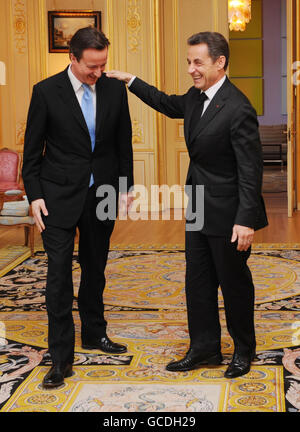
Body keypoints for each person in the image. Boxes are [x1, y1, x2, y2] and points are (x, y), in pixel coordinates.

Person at [107, 31, 268, 378]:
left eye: (198, 62)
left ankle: (243, 349)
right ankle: (204, 348)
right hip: (197, 204)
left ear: (219, 62)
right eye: (189, 62)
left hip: (228, 213)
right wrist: (130, 80)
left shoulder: (239, 107)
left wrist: (246, 220)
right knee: (197, 281)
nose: (191, 69)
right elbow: (165, 102)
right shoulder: (196, 99)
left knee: (234, 283)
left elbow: (251, 170)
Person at [22, 27, 134, 388]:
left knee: (95, 267)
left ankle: (94, 333)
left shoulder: (115, 89)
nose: (97, 73)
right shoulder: (45, 91)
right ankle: (60, 358)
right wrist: (34, 195)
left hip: (100, 193)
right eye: (91, 66)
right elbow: (32, 152)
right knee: (58, 276)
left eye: (103, 65)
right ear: (72, 58)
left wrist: (124, 188)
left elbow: (123, 143)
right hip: (55, 197)